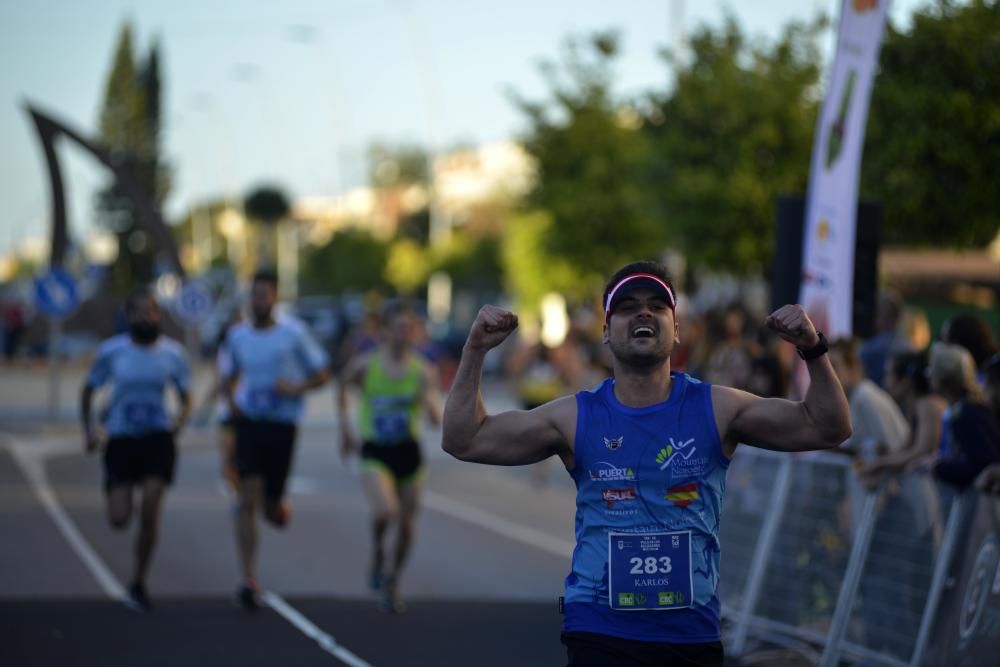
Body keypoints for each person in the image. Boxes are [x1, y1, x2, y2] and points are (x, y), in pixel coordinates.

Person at [441, 261, 852, 666]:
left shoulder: (716, 407)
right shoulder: (576, 416)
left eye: (658, 305)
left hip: (689, 633)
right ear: (605, 331)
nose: (643, 312)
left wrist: (812, 348)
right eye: (627, 306)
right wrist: (475, 350)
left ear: (676, 330)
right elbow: (465, 438)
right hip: (599, 629)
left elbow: (827, 427)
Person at [221, 269, 330, 609]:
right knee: (245, 498)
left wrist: (295, 388)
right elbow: (228, 375)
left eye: (264, 295)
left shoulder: (294, 334)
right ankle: (248, 577)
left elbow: (322, 374)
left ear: (275, 298)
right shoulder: (237, 336)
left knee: (269, 509)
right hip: (250, 423)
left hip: (283, 426)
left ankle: (278, 504)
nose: (258, 301)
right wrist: (231, 404)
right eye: (254, 295)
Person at [80, 288, 191, 612]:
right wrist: (89, 430)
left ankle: (139, 580)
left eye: (152, 311)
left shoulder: (173, 354)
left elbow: (185, 397)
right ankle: (118, 502)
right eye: (140, 312)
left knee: (151, 512)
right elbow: (88, 389)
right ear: (128, 317)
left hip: (158, 440)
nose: (147, 317)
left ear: (160, 316)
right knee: (119, 518)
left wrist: (179, 421)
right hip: (121, 441)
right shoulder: (112, 352)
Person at [338, 304, 442, 613]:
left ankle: (393, 580)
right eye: (397, 328)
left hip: (408, 450)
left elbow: (434, 415)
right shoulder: (365, 365)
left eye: (408, 329)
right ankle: (378, 554)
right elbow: (342, 386)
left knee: (408, 524)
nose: (403, 334)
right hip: (375, 448)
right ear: (386, 331)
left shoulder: (422, 370)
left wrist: (429, 405)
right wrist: (345, 429)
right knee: (386, 511)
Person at [927, 342, 1000, 490]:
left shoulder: (965, 414)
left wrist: (938, 467)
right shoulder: (960, 410)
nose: (927, 373)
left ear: (943, 377)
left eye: (932, 369)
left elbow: (977, 464)